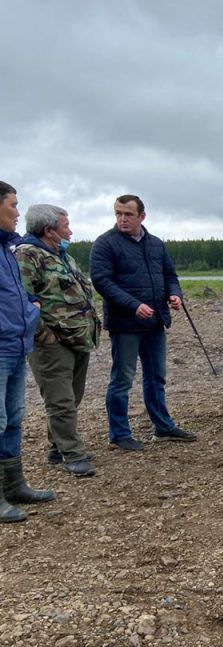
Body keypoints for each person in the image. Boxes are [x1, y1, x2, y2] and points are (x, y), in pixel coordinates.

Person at [90, 194, 196, 450]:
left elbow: (170, 275)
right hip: (125, 324)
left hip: (155, 322)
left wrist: (175, 294)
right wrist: (133, 305)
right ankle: (119, 434)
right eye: (118, 213)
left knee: (156, 376)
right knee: (122, 379)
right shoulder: (105, 244)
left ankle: (163, 426)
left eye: (128, 214)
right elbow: (102, 281)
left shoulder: (156, 244)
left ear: (142, 216)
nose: (122, 219)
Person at [16, 205, 100, 477]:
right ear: (49, 230)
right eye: (65, 226)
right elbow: (23, 302)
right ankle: (72, 454)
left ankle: (56, 447)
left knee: (72, 397)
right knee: (60, 400)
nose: (70, 231)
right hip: (52, 344)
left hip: (78, 338)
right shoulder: (27, 255)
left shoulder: (60, 254)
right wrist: (46, 336)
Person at [0, 181, 53, 523]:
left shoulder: (7, 249)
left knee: (13, 418)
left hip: (17, 345)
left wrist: (31, 311)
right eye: (13, 205)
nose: (19, 213)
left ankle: (14, 485)